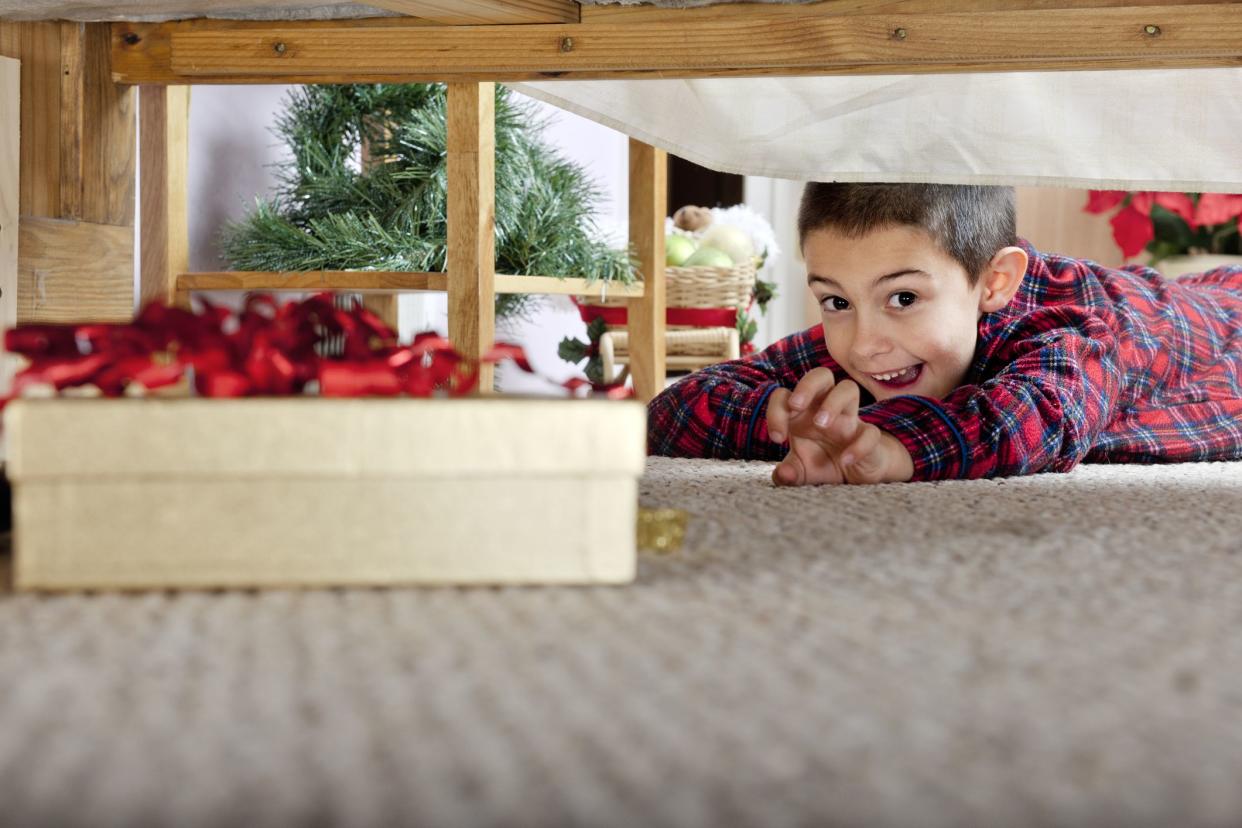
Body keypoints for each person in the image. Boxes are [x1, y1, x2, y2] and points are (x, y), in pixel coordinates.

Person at [647, 183, 1242, 485]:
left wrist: (884, 447)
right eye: (835, 300)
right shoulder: (876, 332)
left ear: (993, 282)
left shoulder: (1073, 331)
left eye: (903, 298)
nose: (863, 345)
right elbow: (673, 411)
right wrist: (783, 415)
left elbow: (1033, 418)